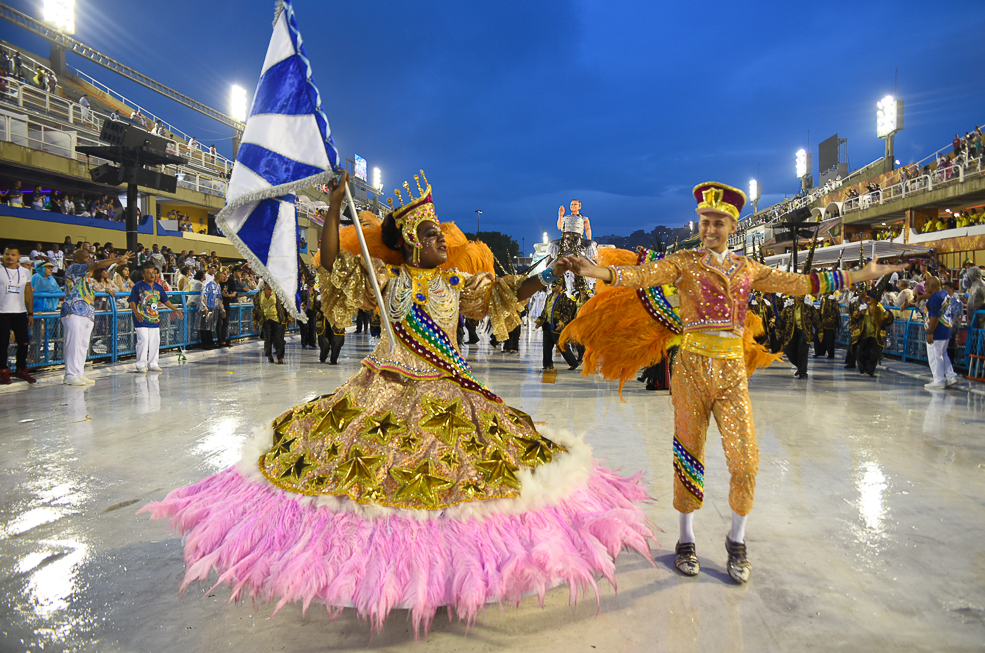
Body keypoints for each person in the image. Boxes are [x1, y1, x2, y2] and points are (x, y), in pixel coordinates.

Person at [142, 171, 652, 635]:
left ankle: (451, 573)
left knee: (465, 477)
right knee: (371, 475)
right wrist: (338, 208)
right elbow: (330, 266)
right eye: (430, 235)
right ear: (410, 242)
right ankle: (382, 572)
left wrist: (550, 273)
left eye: (439, 235)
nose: (440, 242)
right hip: (384, 390)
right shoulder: (387, 281)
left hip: (449, 392)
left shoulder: (458, 282)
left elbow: (507, 292)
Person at [562, 181, 905, 584]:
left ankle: (736, 540)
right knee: (688, 455)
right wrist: (596, 270)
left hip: (731, 374)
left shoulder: (747, 269)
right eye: (705, 222)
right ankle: (686, 539)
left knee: (745, 461)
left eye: (718, 223)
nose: (709, 229)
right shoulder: (685, 262)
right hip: (690, 371)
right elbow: (641, 275)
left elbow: (796, 283)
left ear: (732, 225)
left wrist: (859, 275)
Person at [61, 250, 127, 386]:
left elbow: (95, 288)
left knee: (83, 345)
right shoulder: (73, 268)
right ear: (77, 260)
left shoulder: (86, 277)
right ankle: (70, 374)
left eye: (89, 257)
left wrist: (105, 290)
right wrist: (116, 260)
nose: (89, 260)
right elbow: (97, 265)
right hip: (73, 311)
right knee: (73, 344)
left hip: (86, 313)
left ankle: (79, 373)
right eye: (85, 257)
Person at [128, 262, 183, 373]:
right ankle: (141, 364)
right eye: (149, 273)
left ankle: (153, 363)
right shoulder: (138, 286)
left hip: (154, 319)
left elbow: (165, 300)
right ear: (143, 274)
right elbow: (132, 301)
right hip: (141, 319)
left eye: (154, 273)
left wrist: (175, 309)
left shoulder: (158, 287)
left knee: (155, 341)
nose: (152, 275)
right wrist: (136, 313)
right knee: (143, 340)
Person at [1, 245, 36, 384]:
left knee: (24, 342)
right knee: (2, 344)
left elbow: (28, 293)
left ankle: (21, 369)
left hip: (20, 313)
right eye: (7, 254)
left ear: (18, 257)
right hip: (2, 313)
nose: (9, 257)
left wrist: (30, 313)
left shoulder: (25, 272)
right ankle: (3, 371)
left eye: (13, 255)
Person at [538, 278, 580, 370]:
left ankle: (573, 363)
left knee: (562, 345)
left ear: (560, 285)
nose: (553, 288)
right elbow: (545, 310)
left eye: (555, 286)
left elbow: (568, 312)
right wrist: (539, 321)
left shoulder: (566, 297)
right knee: (546, 346)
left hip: (558, 325)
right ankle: (547, 364)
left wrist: (562, 323)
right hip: (547, 324)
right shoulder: (549, 296)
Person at [924, 276, 957, 390]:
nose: (925, 287)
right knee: (943, 354)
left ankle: (938, 380)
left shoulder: (934, 299)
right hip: (946, 328)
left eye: (927, 284)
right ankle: (951, 375)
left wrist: (930, 332)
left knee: (935, 355)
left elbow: (934, 317)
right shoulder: (944, 293)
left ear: (933, 286)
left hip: (937, 331)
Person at [856, 290, 894, 377]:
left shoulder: (880, 310)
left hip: (876, 335)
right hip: (864, 335)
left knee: (874, 355)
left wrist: (888, 314)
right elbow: (854, 318)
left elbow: (887, 321)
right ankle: (863, 369)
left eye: (871, 297)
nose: (869, 299)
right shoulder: (863, 308)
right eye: (868, 297)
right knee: (860, 353)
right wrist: (858, 313)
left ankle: (869, 371)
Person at [254, 282, 288, 362]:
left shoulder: (278, 294)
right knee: (267, 339)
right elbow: (255, 309)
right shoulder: (258, 295)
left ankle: (280, 358)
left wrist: (289, 318)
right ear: (265, 284)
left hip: (277, 318)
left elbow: (285, 305)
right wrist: (254, 321)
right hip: (265, 319)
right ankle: (269, 355)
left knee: (279, 339)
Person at [198, 269, 225, 350]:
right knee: (204, 327)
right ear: (219, 277)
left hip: (214, 308)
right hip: (207, 307)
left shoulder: (218, 286)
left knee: (210, 327)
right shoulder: (209, 285)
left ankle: (210, 342)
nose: (224, 278)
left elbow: (219, 298)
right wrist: (205, 307)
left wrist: (222, 309)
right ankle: (205, 343)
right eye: (223, 277)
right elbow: (204, 296)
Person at [816, 290, 841, 359]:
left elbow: (835, 311)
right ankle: (820, 352)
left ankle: (830, 354)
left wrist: (830, 320)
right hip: (822, 321)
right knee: (820, 337)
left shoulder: (832, 299)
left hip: (829, 323)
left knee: (829, 339)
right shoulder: (823, 299)